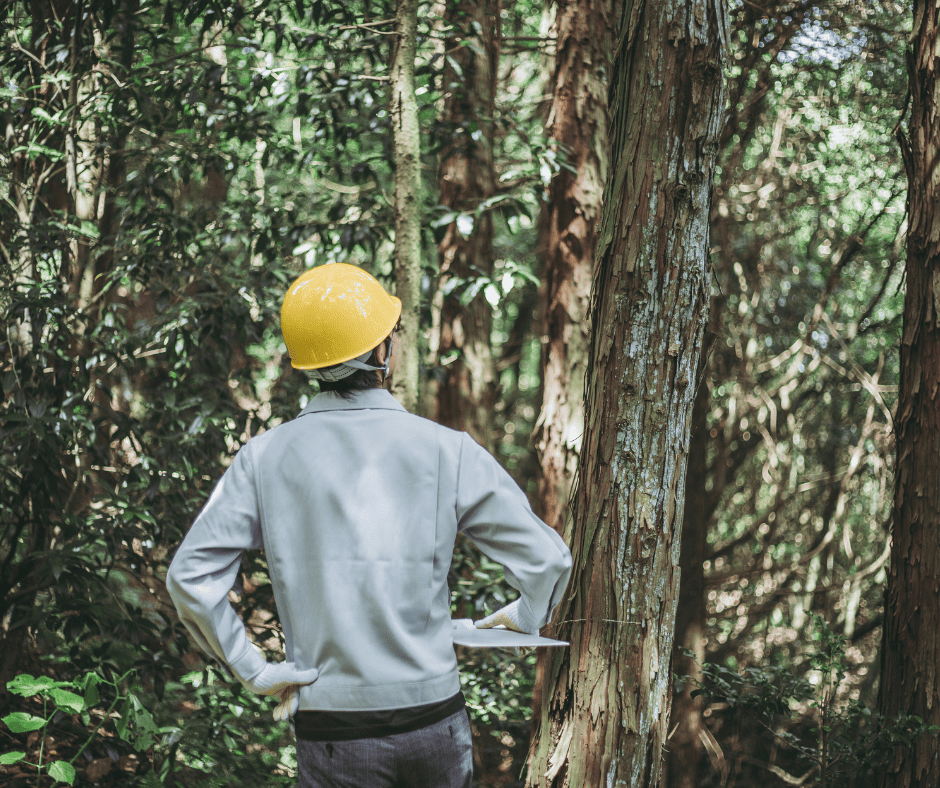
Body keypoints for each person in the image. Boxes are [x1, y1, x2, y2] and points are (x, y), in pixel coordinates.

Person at [166, 263, 572, 788]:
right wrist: (527, 612)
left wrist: (254, 669)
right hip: (435, 721)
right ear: (384, 351)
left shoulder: (263, 459)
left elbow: (189, 580)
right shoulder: (445, 450)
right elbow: (548, 558)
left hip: (333, 731)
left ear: (307, 364)